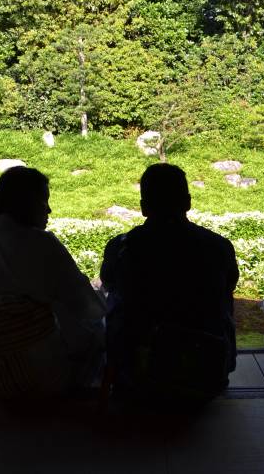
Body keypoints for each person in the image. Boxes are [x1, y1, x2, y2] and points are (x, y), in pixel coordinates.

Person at [100, 163, 239, 403]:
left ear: (143, 207)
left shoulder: (121, 247)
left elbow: (109, 283)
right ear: (187, 202)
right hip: (206, 371)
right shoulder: (218, 246)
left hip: (139, 373)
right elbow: (228, 286)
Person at [0, 166, 105, 400]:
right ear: (26, 204)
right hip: (41, 377)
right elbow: (86, 305)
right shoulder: (42, 244)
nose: (49, 209)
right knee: (96, 327)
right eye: (43, 202)